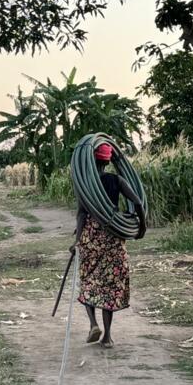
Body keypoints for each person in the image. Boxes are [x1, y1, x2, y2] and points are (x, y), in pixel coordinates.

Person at [70, 141, 146, 348]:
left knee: (89, 282)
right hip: (113, 235)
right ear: (107, 161)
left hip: (92, 237)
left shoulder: (85, 186)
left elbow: (81, 214)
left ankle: (93, 324)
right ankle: (108, 337)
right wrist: (142, 227)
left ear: (92, 161)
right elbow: (138, 202)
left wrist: (77, 243)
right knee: (110, 286)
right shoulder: (117, 180)